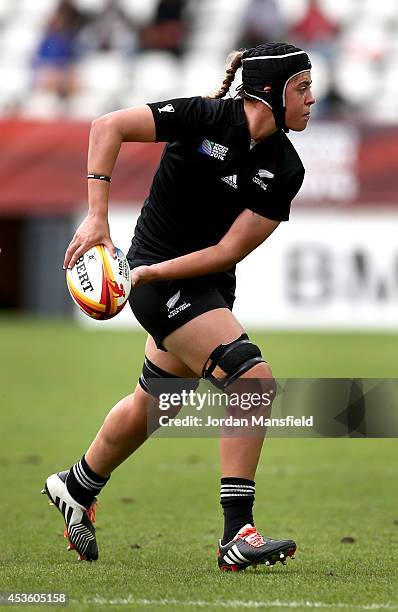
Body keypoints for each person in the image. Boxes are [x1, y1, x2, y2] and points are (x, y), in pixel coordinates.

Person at [42, 42, 315, 570]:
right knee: (252, 382)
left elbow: (228, 251)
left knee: (156, 403)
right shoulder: (202, 116)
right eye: (301, 88)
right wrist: (98, 220)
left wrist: (148, 273)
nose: (311, 99)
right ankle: (237, 533)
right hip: (153, 279)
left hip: (186, 280)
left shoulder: (285, 166)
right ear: (267, 92)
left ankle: (77, 485)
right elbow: (107, 127)